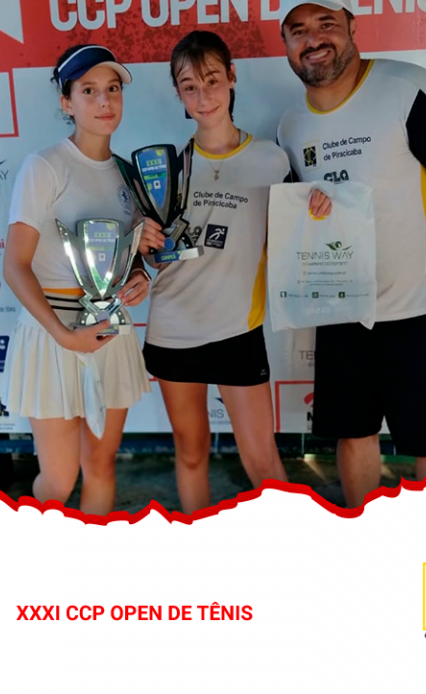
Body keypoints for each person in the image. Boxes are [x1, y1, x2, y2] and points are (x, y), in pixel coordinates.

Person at [276, 0, 426, 508]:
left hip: (424, 312)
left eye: (326, 23)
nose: (313, 39)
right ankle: (364, 541)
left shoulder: (406, 89)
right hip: (343, 312)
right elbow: (306, 223)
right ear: (287, 44)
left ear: (352, 26)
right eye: (298, 30)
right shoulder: (291, 126)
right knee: (353, 437)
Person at [142, 31, 331, 514]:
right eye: (189, 87)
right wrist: (142, 242)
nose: (203, 96)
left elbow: (294, 241)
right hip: (172, 331)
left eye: (211, 80)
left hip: (236, 330)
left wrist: (315, 208)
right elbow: (152, 258)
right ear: (178, 94)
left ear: (231, 76)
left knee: (262, 459)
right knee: (191, 454)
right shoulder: (165, 169)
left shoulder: (271, 159)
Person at [2, 44, 161, 515]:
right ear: (66, 102)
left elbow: (127, 258)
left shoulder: (129, 174)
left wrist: (139, 276)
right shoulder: (44, 166)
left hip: (109, 330)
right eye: (88, 90)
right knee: (59, 478)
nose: (104, 101)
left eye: (112, 89)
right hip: (53, 335)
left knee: (100, 466)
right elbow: (14, 265)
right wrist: (64, 336)